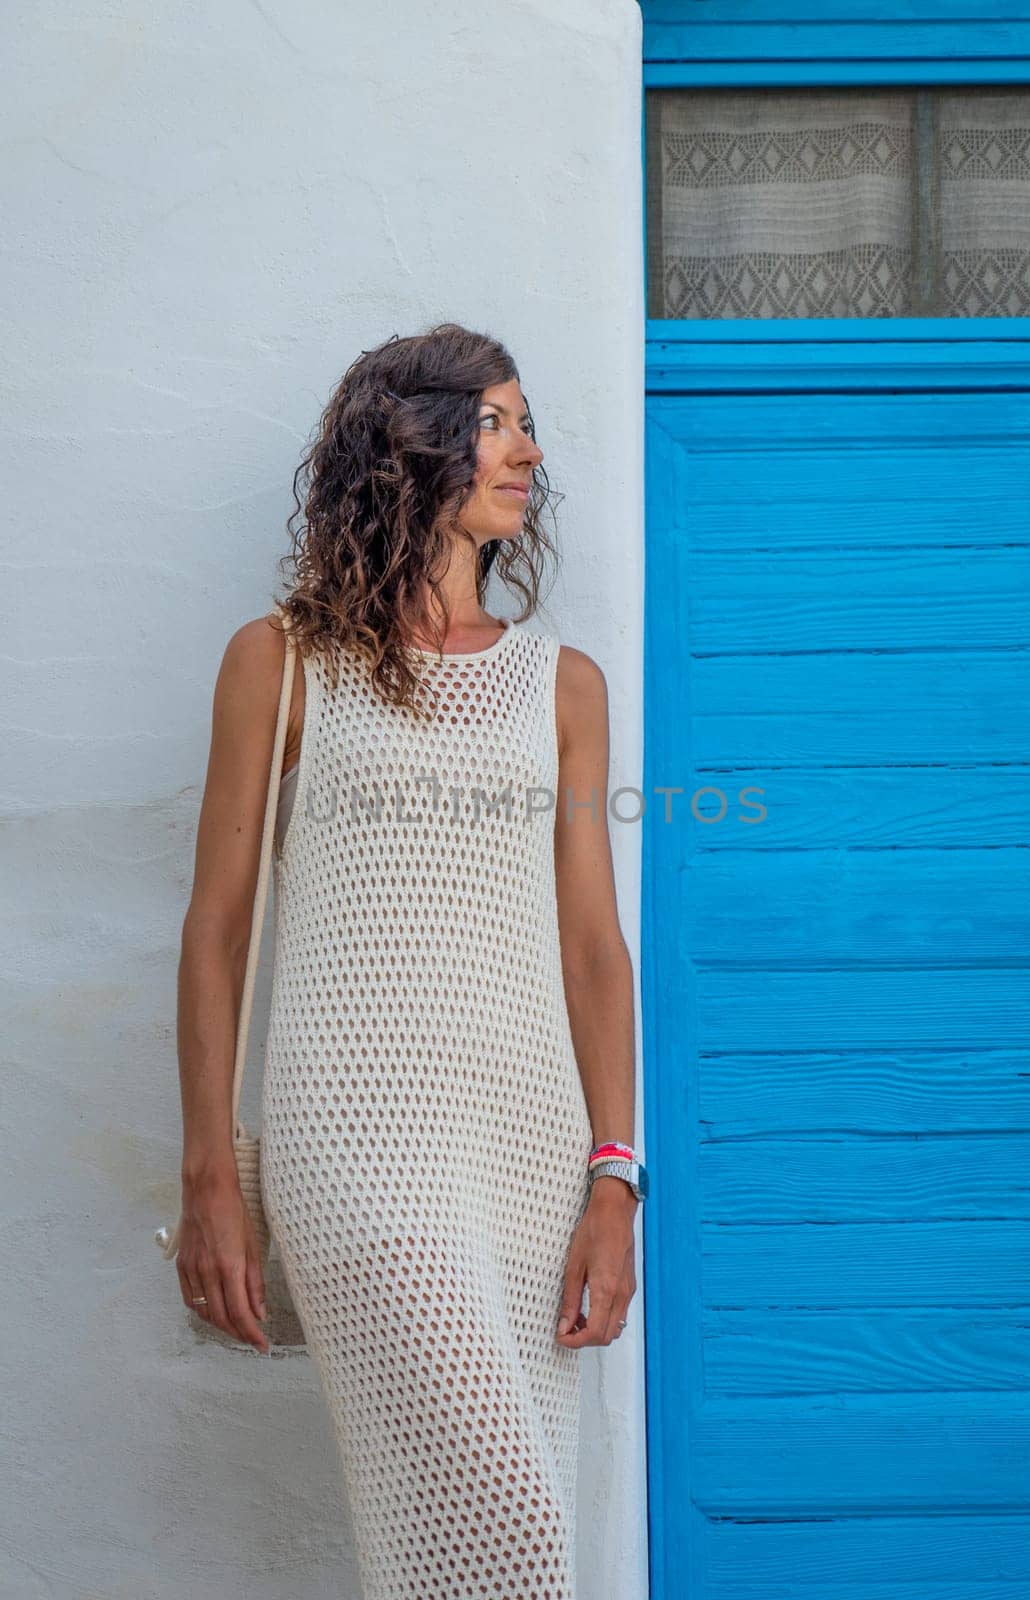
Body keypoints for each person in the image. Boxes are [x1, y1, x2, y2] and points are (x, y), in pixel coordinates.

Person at [171, 321, 644, 1598]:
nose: (531, 451)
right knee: (513, 1536)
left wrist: (617, 1178)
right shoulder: (279, 663)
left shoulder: (565, 686)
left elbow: (592, 946)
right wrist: (213, 1174)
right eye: (501, 421)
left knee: (475, 1535)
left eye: (530, 424)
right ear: (414, 436)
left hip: (528, 1151)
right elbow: (216, 929)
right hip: (356, 1142)